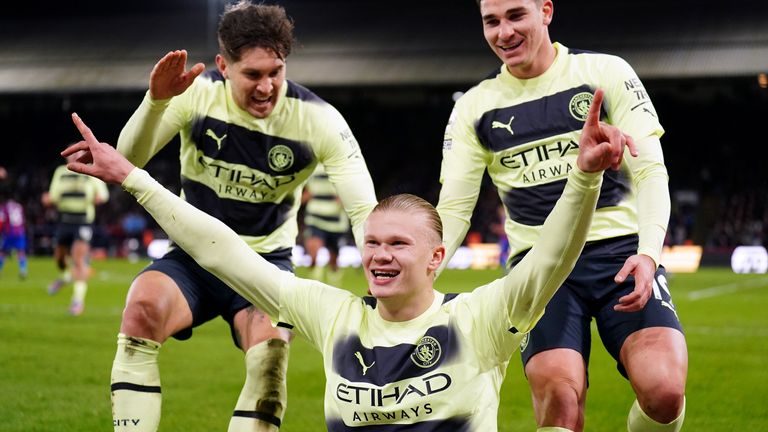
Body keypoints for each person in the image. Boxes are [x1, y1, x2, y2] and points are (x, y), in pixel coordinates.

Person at [66, 80, 629, 430]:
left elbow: (552, 259)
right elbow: (222, 250)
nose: (379, 256)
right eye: (374, 243)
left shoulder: (480, 319)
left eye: (398, 245)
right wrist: (134, 176)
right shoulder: (334, 316)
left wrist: (582, 179)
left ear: (436, 258)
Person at [112, 2, 377, 431]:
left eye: (276, 72)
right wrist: (156, 102)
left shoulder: (319, 120)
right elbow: (127, 160)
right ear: (223, 65)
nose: (266, 86)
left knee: (269, 362)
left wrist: (378, 271)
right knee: (141, 309)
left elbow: (364, 207)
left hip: (264, 264)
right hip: (193, 259)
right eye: (252, 74)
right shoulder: (196, 95)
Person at [436, 1, 688, 431]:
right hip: (540, 267)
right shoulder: (474, 108)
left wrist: (648, 253)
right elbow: (454, 211)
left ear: (546, 12)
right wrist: (418, 271)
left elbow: (650, 170)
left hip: (622, 254)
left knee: (664, 392)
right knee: (560, 404)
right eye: (491, 22)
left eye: (516, 16)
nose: (503, 33)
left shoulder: (605, 73)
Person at [42, 149, 110, 315]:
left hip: (83, 222)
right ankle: (66, 277)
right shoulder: (60, 172)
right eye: (71, 154)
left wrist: (98, 197)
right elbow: (54, 195)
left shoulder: (90, 171)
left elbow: (103, 194)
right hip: (65, 220)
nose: (74, 157)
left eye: (77, 154)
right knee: (59, 258)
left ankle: (77, 301)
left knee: (79, 260)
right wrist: (49, 199)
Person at [301, 165, 350, 285]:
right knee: (313, 248)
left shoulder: (340, 165)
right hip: (315, 216)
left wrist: (346, 198)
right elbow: (308, 190)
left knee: (333, 257)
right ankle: (314, 279)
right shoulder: (311, 167)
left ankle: (334, 274)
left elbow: (349, 189)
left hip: (335, 220)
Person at [0, 194, 29, 279]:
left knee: (3, 252)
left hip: (10, 231)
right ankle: (23, 270)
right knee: (21, 251)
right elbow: (22, 220)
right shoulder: (19, 206)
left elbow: (2, 220)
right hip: (20, 231)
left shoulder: (4, 207)